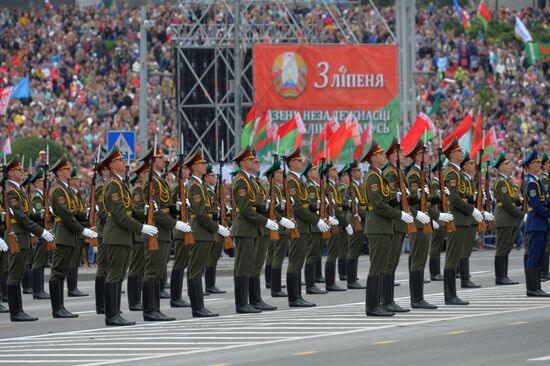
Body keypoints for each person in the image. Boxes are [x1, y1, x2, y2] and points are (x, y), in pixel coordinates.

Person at [101, 146, 159, 326]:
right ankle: (111, 315)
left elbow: (129, 210)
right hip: (117, 234)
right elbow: (119, 215)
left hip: (123, 235)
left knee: (119, 275)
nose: (123, 162)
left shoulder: (120, 184)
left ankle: (115, 313)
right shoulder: (112, 185)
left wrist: (144, 213)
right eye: (119, 161)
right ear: (111, 165)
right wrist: (141, 227)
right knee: (114, 275)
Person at [140, 146, 191, 321]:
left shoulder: (159, 180)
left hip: (163, 231)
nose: (165, 160)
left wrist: (175, 210)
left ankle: (155, 309)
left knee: (158, 271)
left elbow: (164, 206)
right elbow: (155, 212)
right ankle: (149, 310)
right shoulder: (151, 182)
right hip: (156, 230)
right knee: (152, 271)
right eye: (161, 158)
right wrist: (175, 223)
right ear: (152, 161)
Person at [362, 141, 413, 317]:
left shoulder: (379, 176)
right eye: (381, 155)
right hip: (377, 226)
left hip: (383, 226)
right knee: (377, 267)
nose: (384, 156)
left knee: (382, 265)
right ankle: (372, 306)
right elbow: (378, 205)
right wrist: (400, 215)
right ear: (373, 158)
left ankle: (379, 304)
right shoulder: (372, 177)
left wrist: (395, 196)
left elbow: (384, 197)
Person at [4, 155, 54, 321]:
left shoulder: (18, 189)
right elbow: (20, 218)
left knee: (17, 275)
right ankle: (15, 312)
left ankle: (19, 310)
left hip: (23, 236)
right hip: (16, 236)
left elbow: (27, 214)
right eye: (18, 170)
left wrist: (41, 214)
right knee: (14, 275)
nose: (22, 172)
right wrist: (41, 232)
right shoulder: (11, 191)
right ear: (11, 173)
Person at [49, 155, 97, 318]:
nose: (70, 171)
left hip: (69, 234)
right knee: (57, 272)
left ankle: (61, 306)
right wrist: (83, 231)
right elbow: (67, 216)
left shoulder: (67, 190)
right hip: (63, 233)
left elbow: (76, 212)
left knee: (62, 271)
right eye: (68, 169)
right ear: (60, 172)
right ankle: (57, 308)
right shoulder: (57, 191)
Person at [184, 148, 228, 317]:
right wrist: (216, 228)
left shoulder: (199, 185)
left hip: (204, 231)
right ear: (194, 167)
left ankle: (199, 305)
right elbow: (201, 214)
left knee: (199, 269)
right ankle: (197, 307)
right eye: (202, 164)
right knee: (195, 270)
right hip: (200, 230)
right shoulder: (194, 186)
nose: (205, 166)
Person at [231, 146, 275, 313]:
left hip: (252, 227)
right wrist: (265, 221)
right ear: (242, 163)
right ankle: (241, 303)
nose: (255, 162)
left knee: (251, 266)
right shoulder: (241, 181)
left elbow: (257, 205)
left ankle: (255, 299)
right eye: (251, 160)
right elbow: (246, 209)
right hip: (244, 227)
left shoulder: (251, 181)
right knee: (242, 266)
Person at [286, 147, 330, 307]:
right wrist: (316, 220)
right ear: (291, 163)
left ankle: (297, 296)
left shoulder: (297, 181)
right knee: (295, 262)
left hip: (304, 226)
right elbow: (297, 207)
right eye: (298, 160)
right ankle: (294, 298)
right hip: (298, 226)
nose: (301, 162)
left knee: (298, 262)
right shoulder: (291, 180)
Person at [442, 138, 483, 305]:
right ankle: (450, 295)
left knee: (457, 255)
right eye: (458, 151)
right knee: (452, 258)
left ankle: (453, 294)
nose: (461, 153)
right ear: (452, 154)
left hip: (462, 219)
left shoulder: (457, 173)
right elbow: (455, 199)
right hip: (457, 220)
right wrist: (472, 210)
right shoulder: (452, 173)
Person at [492, 153, 523, 285]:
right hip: (504, 217)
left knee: (508, 247)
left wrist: (519, 200)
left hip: (508, 218)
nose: (509, 166)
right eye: (507, 164)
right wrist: (521, 215)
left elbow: (511, 199)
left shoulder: (506, 181)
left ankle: (504, 275)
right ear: (500, 167)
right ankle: (500, 277)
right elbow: (506, 203)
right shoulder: (501, 182)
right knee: (502, 248)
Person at [522, 150, 550, 297]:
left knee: (538, 255)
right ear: (529, 165)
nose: (539, 164)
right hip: (536, 223)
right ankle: (532, 288)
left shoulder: (537, 181)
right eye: (536, 162)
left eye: (539, 162)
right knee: (534, 255)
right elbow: (537, 205)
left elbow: (544, 201)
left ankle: (537, 287)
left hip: (541, 223)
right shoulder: (532, 184)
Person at [303, 159, 327, 295]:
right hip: (313, 225)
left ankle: (312, 283)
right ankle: (310, 285)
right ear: (309, 173)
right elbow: (311, 205)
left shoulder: (314, 186)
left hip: (317, 223)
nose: (317, 172)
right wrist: (319, 203)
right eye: (314, 170)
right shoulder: (311, 187)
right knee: (312, 256)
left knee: (315, 254)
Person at [127, 162, 149, 311]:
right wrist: (148, 212)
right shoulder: (138, 190)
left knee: (141, 267)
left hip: (144, 232)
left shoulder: (145, 188)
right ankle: (134, 301)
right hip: (138, 232)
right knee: (136, 268)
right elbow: (136, 211)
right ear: (141, 174)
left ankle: (138, 299)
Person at [204, 163, 227, 294]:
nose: (214, 177)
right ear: (206, 177)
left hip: (215, 226)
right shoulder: (206, 191)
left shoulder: (210, 190)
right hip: (212, 227)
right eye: (212, 175)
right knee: (211, 257)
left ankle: (211, 284)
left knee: (214, 257)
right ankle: (209, 284)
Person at [29, 169, 51, 299]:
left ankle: (40, 289)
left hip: (44, 230)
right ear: (36, 183)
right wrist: (44, 213)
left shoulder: (43, 195)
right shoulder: (37, 196)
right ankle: (37, 290)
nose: (43, 183)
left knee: (42, 261)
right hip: (40, 230)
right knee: (38, 262)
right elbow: (36, 215)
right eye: (41, 181)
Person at [345, 159, 367, 290]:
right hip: (355, 221)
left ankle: (353, 278)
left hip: (360, 220)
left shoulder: (359, 186)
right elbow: (354, 206)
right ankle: (351, 280)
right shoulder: (351, 187)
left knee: (356, 251)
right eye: (357, 170)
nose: (360, 172)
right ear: (352, 173)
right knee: (352, 251)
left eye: (359, 170)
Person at [67, 167, 89, 297]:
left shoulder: (76, 194)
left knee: (76, 260)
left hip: (80, 231)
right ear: (70, 181)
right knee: (73, 261)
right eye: (75, 179)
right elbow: (74, 213)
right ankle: (72, 288)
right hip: (75, 230)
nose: (78, 181)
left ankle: (74, 286)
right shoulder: (70, 194)